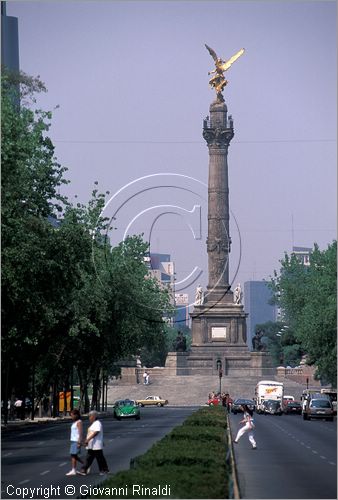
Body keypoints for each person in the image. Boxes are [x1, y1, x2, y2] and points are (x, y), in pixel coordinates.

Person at [78, 411, 109, 476]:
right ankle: (84, 470)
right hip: (92, 445)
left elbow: (96, 432)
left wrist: (88, 439)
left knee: (99, 458)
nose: (89, 418)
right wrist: (87, 441)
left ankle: (103, 470)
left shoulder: (97, 423)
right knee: (90, 458)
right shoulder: (94, 424)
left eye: (90, 416)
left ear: (94, 417)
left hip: (96, 445)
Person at [66, 409, 83, 476]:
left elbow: (80, 432)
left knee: (73, 455)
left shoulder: (79, 422)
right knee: (73, 455)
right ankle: (85, 464)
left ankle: (74, 470)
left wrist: (79, 442)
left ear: (76, 415)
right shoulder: (75, 422)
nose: (71, 417)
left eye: (72, 416)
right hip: (73, 440)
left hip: (76, 441)